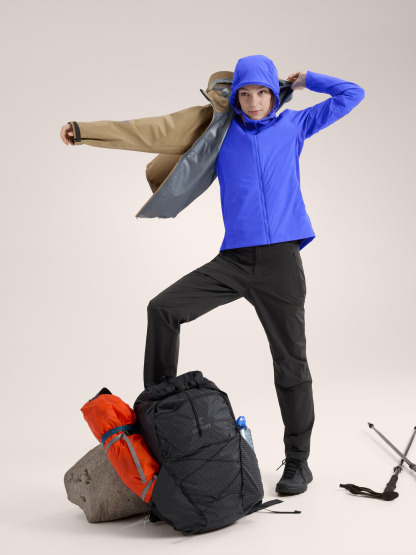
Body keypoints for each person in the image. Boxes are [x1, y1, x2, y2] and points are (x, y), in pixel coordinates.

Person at [60, 55, 365, 495]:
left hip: (280, 264)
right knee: (163, 309)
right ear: (234, 97)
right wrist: (85, 131)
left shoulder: (294, 125)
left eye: (262, 93)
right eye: (246, 94)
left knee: (291, 364)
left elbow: (352, 94)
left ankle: (299, 461)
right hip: (234, 261)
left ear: (274, 94)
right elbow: (149, 130)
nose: (254, 102)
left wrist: (307, 80)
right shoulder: (219, 131)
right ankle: (160, 413)